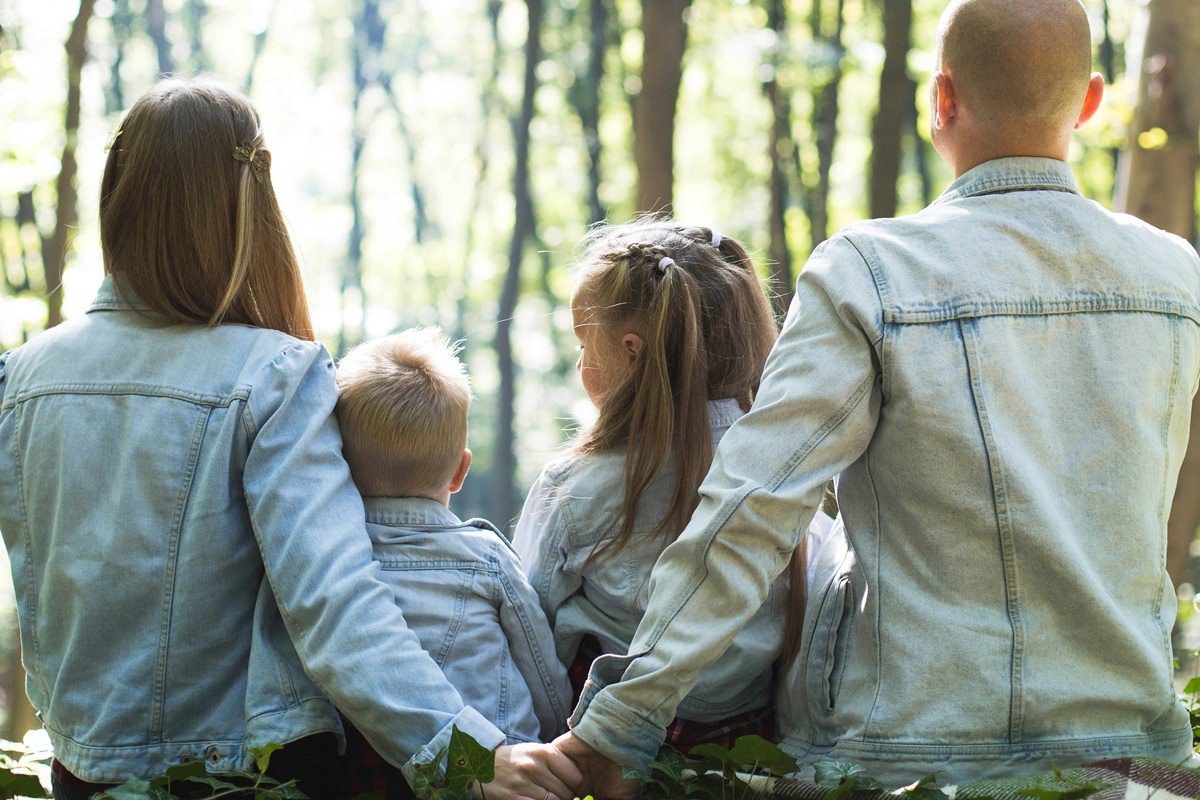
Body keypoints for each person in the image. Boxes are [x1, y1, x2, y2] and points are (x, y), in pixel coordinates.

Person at [554, 0, 1200, 790]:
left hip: (903, 753)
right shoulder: (1177, 279)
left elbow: (751, 508)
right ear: (1092, 102)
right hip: (1132, 751)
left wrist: (620, 724)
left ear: (942, 99)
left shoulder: (871, 272)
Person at [0, 78, 580, 800]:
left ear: (116, 194)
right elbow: (333, 601)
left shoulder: (20, 377)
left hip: (79, 773)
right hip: (237, 779)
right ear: (249, 206)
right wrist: (464, 754)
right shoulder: (274, 374)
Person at [513, 220, 835, 753]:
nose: (578, 363)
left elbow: (527, 625)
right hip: (744, 751)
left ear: (632, 350)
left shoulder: (575, 486)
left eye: (584, 344)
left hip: (598, 749)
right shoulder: (787, 480)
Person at [330, 327, 572, 796]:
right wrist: (556, 734)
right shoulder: (485, 557)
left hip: (375, 775)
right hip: (500, 769)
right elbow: (541, 670)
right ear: (461, 471)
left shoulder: (331, 561)